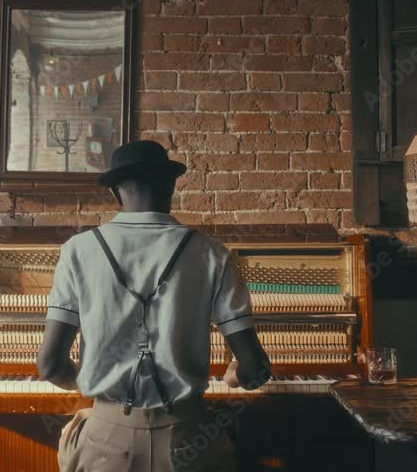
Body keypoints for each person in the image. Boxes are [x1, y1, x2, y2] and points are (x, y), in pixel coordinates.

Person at [38, 139, 271, 472]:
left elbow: (49, 366)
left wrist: (99, 386)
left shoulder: (78, 250)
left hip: (106, 443)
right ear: (171, 186)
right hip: (189, 440)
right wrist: (236, 377)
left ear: (116, 192)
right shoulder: (212, 253)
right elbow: (256, 369)